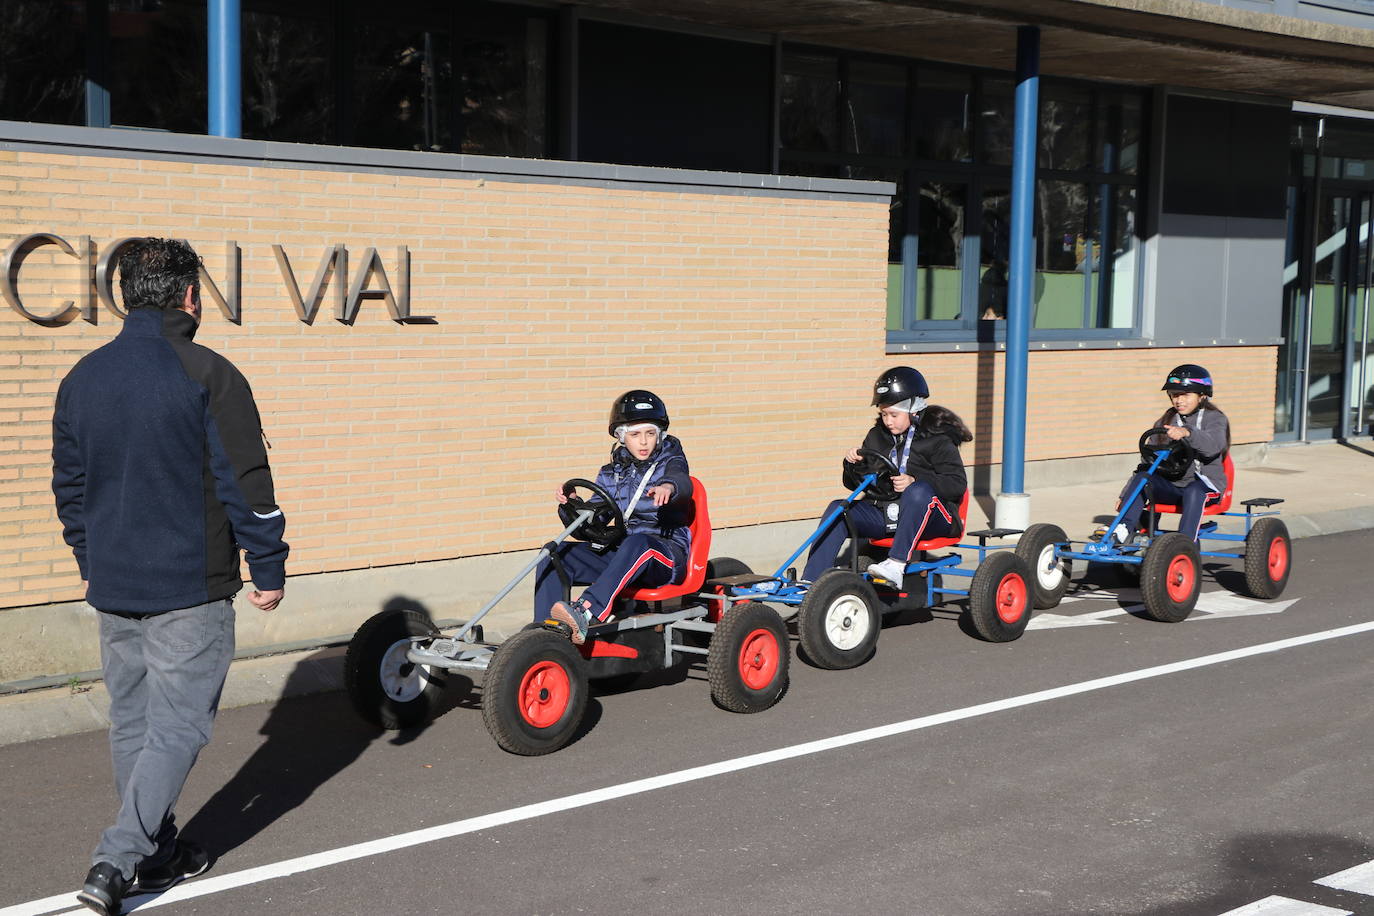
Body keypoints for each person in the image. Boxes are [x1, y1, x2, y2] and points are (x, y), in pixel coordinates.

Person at [51, 238, 289, 916]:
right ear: (189, 297)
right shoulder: (209, 372)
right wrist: (267, 564)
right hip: (191, 585)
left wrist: (89, 561)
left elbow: (70, 489)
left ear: (126, 295)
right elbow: (245, 480)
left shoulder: (83, 378)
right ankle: (117, 860)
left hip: (115, 584)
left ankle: (157, 856)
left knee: (135, 723)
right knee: (179, 726)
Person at [535, 390, 693, 645]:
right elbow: (592, 523)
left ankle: (586, 610)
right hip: (625, 555)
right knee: (553, 554)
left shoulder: (670, 461)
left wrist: (669, 488)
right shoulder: (612, 473)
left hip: (664, 554)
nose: (643, 442)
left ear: (660, 435)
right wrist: (571, 506)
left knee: (638, 543)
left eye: (650, 433)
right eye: (635, 434)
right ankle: (544, 636)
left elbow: (681, 480)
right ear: (621, 436)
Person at [800, 367, 971, 585]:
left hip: (934, 517)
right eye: (883, 414)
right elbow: (858, 485)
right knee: (838, 509)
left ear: (914, 409)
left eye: (894, 415)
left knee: (918, 491)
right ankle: (810, 581)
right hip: (887, 512)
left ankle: (896, 565)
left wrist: (915, 480)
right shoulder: (877, 436)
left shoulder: (937, 438)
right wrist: (853, 465)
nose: (888, 421)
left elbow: (956, 484)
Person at [1103, 363, 1230, 545]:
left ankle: (1185, 543)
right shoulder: (1165, 420)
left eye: (1185, 395)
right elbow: (1148, 463)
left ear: (1202, 396)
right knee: (1144, 478)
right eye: (1174, 395)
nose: (1179, 400)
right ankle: (1124, 529)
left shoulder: (1215, 418)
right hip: (1173, 486)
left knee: (1194, 490)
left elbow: (1214, 447)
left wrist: (1188, 433)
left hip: (1205, 487)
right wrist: (1125, 496)